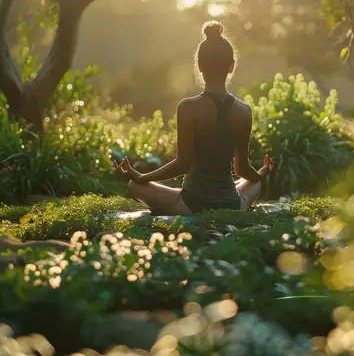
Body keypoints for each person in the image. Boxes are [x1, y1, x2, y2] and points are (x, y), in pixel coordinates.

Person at [114, 20, 274, 216]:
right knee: (254, 183)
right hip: (232, 204)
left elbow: (183, 164)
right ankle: (240, 195)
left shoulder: (188, 107)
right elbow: (241, 169)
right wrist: (262, 173)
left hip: (192, 205)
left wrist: (141, 177)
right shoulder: (244, 111)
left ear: (199, 66)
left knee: (134, 186)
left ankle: (176, 201)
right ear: (231, 67)